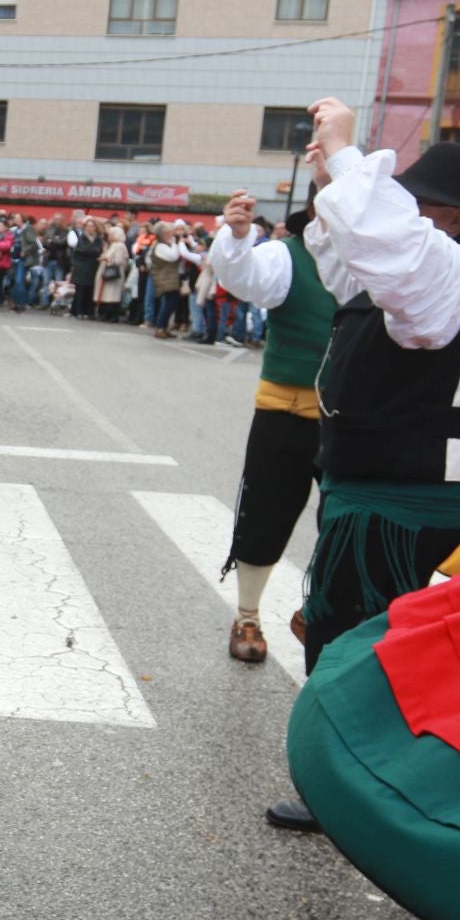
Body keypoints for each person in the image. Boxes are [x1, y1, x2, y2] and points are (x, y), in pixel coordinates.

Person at [261, 99, 460, 833]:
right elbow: (350, 252)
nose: (404, 213)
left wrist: (347, 150)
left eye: (418, 202)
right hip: (387, 482)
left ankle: (347, 790)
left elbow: (379, 232)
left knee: (346, 635)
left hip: (402, 491)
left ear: (451, 219)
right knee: (355, 631)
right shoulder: (450, 268)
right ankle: (364, 782)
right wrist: (332, 171)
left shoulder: (450, 268)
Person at [206, 193, 339, 663]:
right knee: (266, 516)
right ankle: (247, 615)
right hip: (285, 407)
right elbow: (243, 278)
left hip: (353, 418)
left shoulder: (381, 258)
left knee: (346, 526)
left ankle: (323, 613)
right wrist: (240, 237)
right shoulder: (288, 254)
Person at [69, 217, 103, 320]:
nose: (90, 228)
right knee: (80, 290)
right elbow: (82, 250)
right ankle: (78, 311)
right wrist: (93, 251)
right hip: (81, 268)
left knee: (90, 291)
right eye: (88, 226)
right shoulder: (81, 238)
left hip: (93, 268)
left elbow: (99, 250)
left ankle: (89, 312)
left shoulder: (98, 239)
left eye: (92, 226)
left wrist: (92, 251)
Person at [95, 224, 129, 322]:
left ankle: (113, 316)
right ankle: (105, 314)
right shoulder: (113, 245)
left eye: (110, 235)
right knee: (108, 295)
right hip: (108, 273)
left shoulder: (120, 246)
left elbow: (119, 260)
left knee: (113, 295)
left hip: (114, 273)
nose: (109, 237)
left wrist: (107, 258)